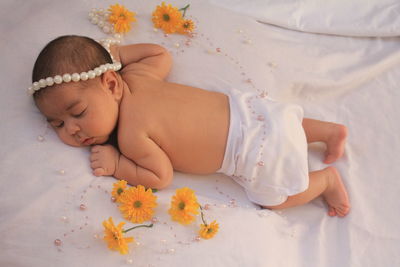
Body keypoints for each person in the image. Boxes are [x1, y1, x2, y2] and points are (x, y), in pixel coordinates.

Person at [31, 35, 350, 217]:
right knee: (284, 123)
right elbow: (160, 53)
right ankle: (327, 132)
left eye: (78, 112)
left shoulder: (131, 137)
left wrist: (117, 164)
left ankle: (324, 182)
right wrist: (120, 54)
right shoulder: (138, 76)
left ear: (111, 84)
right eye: (57, 123)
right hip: (250, 112)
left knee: (271, 199)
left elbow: (160, 176)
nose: (71, 129)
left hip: (246, 154)